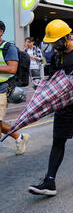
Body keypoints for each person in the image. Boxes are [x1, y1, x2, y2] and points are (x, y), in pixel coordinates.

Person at [28, 20, 73, 196]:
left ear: (67, 37)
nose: (54, 45)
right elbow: (54, 78)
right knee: (58, 140)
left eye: (57, 41)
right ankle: (50, 181)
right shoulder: (56, 55)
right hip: (64, 104)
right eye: (52, 42)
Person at [0, 20, 29, 155]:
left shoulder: (8, 47)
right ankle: (20, 137)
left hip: (2, 89)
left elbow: (12, 69)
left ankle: (19, 138)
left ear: (1, 32)